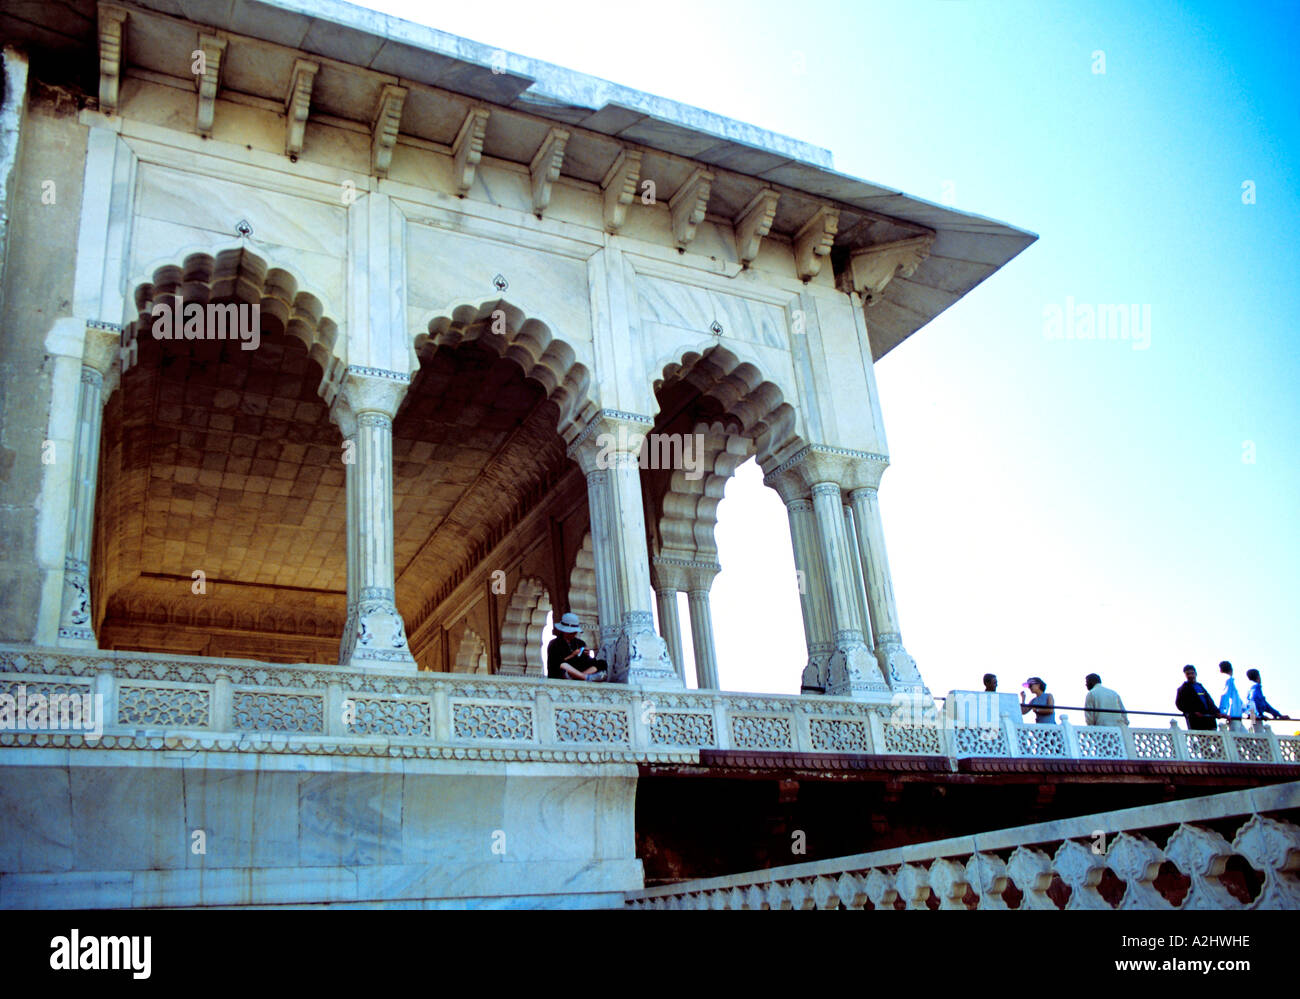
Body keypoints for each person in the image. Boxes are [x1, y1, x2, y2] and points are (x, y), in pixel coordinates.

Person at [546, 612, 607, 682]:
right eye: (571, 632)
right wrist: (572, 655)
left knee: (601, 663)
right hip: (562, 671)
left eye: (575, 632)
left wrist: (587, 654)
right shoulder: (554, 643)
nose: (573, 634)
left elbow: (584, 661)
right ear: (564, 631)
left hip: (576, 670)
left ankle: (580, 676)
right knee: (562, 664)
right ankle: (583, 677)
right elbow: (556, 662)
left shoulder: (580, 643)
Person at [1175, 665, 1221, 731]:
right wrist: (1192, 712)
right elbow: (1179, 704)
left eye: (1192, 673)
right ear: (1185, 675)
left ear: (1196, 674)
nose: (1190, 676)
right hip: (1196, 722)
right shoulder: (1182, 689)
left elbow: (1209, 702)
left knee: (1215, 740)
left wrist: (1217, 712)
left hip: (1209, 720)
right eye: (1188, 674)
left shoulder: (1200, 687)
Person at [1218, 661, 1245, 731]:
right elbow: (1225, 696)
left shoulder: (1223, 680)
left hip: (1234, 717)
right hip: (1232, 716)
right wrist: (1223, 712)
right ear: (1231, 670)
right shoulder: (1228, 680)